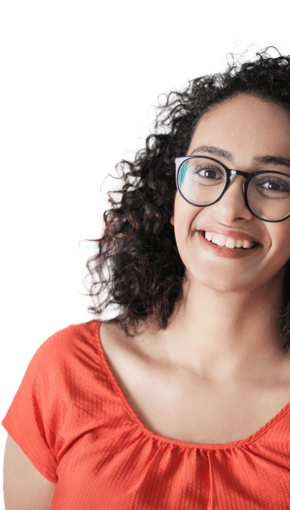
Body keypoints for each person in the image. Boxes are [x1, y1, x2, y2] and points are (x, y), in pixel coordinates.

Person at [2, 41, 290, 509]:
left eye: (274, 183)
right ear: (170, 195)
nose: (230, 208)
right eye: (208, 172)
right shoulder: (64, 373)